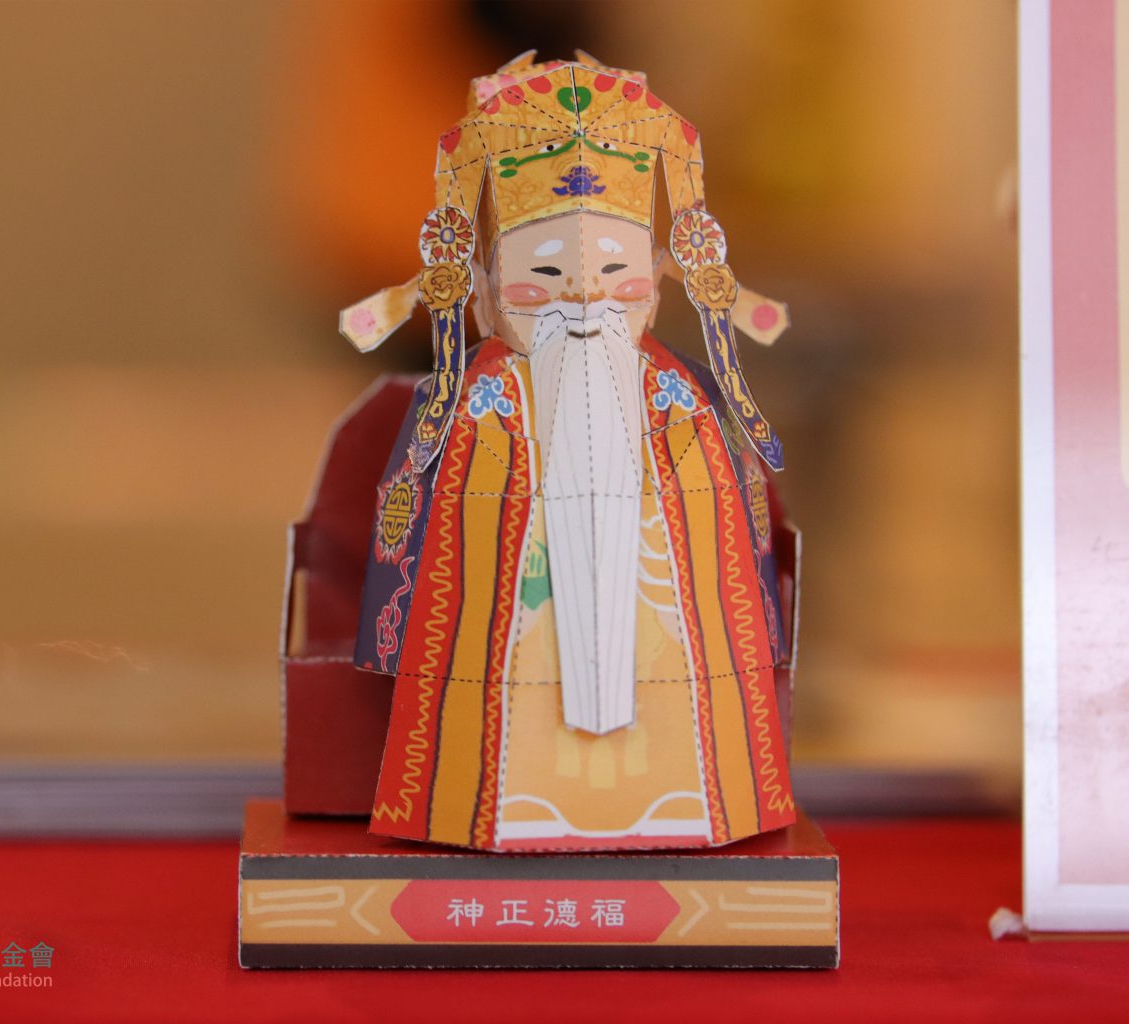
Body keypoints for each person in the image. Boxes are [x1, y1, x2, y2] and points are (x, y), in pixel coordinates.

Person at [340, 52, 796, 852]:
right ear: (484, 294)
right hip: (507, 676)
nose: (583, 294)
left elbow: (735, 552)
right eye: (543, 272)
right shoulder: (468, 407)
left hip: (670, 687)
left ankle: (694, 797)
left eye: (616, 269)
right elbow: (409, 544)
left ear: (657, 283)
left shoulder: (685, 403)